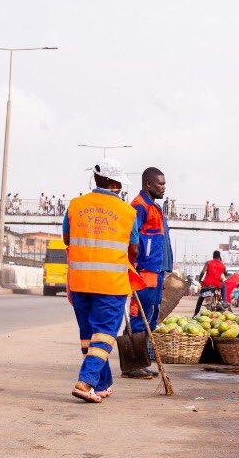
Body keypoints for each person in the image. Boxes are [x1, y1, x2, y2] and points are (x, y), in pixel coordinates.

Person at [64, 159, 140, 403]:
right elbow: (134, 250)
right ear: (115, 183)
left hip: (80, 282)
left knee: (90, 336)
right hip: (110, 284)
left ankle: (102, 383)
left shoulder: (75, 205)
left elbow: (67, 238)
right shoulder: (128, 212)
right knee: (105, 334)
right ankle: (85, 383)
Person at [123, 167, 172, 380]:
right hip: (144, 270)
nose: (164, 187)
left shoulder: (154, 207)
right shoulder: (139, 206)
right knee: (138, 316)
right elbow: (131, 239)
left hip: (156, 271)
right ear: (149, 184)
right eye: (160, 183)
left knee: (150, 316)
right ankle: (132, 364)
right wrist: (135, 267)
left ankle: (141, 362)